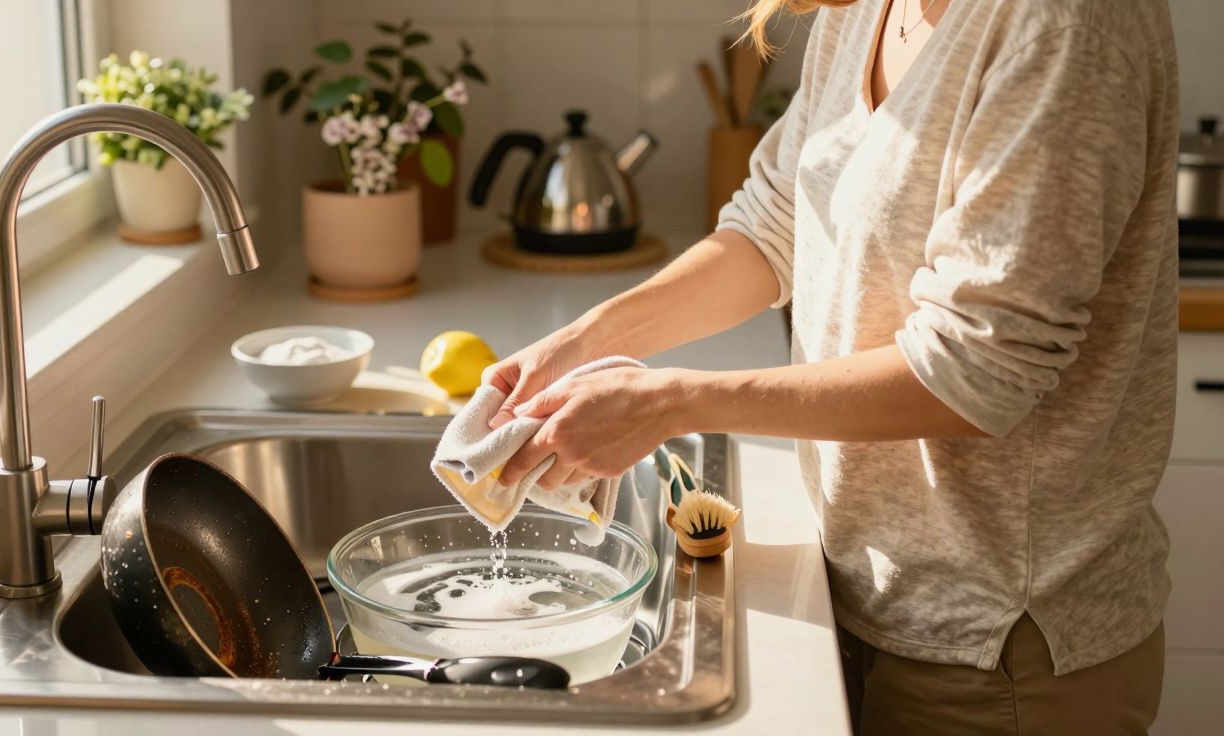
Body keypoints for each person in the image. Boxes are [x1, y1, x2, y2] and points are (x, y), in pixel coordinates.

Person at [482, 0, 1179, 734]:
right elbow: (774, 223)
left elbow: (979, 367)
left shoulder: (1063, 24)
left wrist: (667, 403)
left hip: (997, 645)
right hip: (865, 588)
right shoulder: (868, 9)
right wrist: (584, 342)